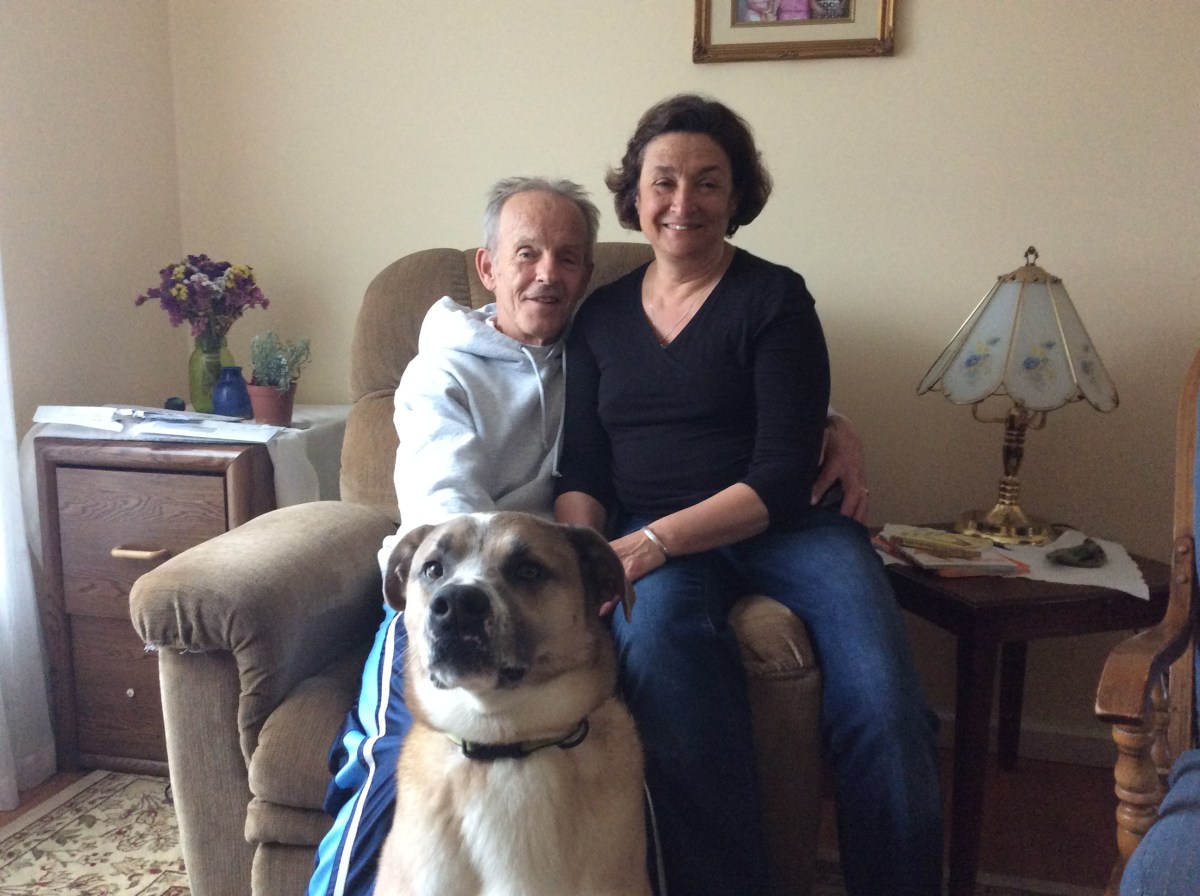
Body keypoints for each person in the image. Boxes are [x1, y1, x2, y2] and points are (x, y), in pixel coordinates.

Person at [308, 175, 872, 896]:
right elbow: (446, 513)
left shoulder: (602, 343)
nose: (548, 274)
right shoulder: (439, 373)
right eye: (527, 254)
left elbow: (724, 391)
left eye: (568, 257)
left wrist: (831, 421)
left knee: (638, 759)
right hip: (447, 595)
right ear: (488, 267)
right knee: (394, 780)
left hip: (554, 590)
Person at [554, 94, 943, 896]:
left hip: (790, 530)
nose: (682, 202)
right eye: (663, 181)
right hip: (652, 532)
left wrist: (652, 543)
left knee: (884, 703)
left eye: (708, 182)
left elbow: (779, 471)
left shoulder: (775, 299)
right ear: (635, 193)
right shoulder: (598, 319)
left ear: (737, 198)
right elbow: (584, 469)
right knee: (662, 672)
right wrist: (587, 552)